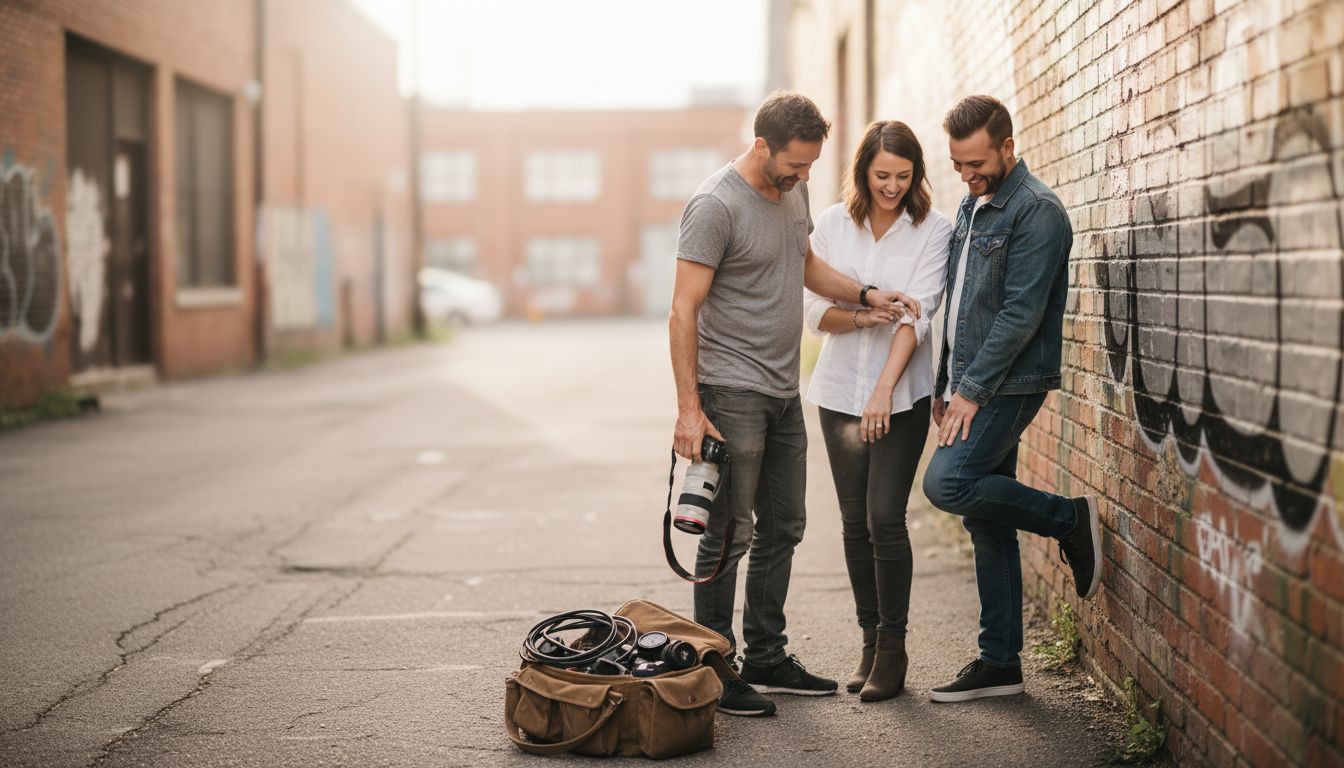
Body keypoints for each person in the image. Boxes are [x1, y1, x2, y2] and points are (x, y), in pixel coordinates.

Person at [669, 92, 922, 717]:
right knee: (728, 533)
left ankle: (766, 656)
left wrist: (868, 292)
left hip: (783, 391)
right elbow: (682, 310)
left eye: (811, 165)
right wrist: (687, 409)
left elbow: (805, 263)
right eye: (797, 164)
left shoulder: (792, 192)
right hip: (730, 391)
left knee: (785, 526)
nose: (806, 176)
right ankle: (715, 667)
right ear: (762, 146)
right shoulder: (715, 206)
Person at [920, 95, 1102, 703]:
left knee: (946, 483)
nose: (968, 176)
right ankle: (1000, 662)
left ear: (1007, 147)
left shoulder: (1037, 212)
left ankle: (1067, 518)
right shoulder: (974, 206)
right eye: (957, 165)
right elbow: (960, 308)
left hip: (1010, 382)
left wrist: (970, 390)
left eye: (977, 164)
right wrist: (947, 386)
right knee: (984, 514)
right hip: (969, 382)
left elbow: (1021, 313)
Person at [802, 121, 951, 702]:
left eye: (903, 176)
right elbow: (816, 309)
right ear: (863, 170)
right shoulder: (834, 224)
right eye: (881, 175)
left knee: (884, 516)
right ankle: (868, 640)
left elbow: (919, 314)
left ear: (917, 174)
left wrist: (884, 390)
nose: (892, 186)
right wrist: (863, 314)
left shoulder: (932, 230)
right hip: (839, 390)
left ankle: (894, 648)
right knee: (852, 522)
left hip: (902, 394)